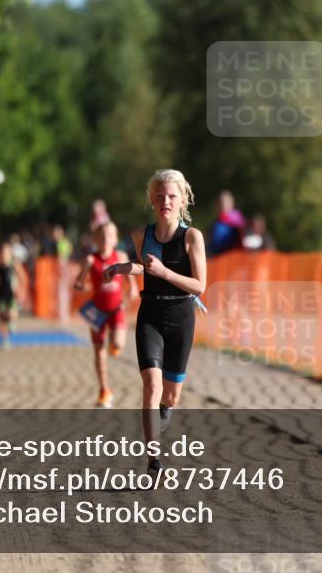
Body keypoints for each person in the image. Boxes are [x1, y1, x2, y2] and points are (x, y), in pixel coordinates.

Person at [103, 169, 207, 474]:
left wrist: (165, 272)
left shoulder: (191, 237)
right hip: (150, 315)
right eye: (159, 196)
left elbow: (199, 285)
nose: (166, 202)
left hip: (181, 317)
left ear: (183, 200)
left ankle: (162, 413)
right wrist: (123, 267)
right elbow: (146, 265)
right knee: (152, 385)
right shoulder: (142, 234)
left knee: (170, 395)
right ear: (151, 200)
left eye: (172, 196)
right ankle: (154, 460)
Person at [75, 222, 139, 408]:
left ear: (115, 239)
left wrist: (132, 288)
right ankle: (104, 390)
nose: (105, 239)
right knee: (99, 352)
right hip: (97, 311)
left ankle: (114, 343)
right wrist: (83, 287)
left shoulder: (120, 256)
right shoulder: (90, 260)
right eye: (102, 235)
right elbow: (79, 284)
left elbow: (130, 278)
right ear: (96, 239)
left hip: (116, 308)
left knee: (118, 344)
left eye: (110, 235)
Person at [0, 241, 27, 350]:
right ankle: (4, 340)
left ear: (10, 253)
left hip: (12, 294)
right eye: (3, 252)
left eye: (6, 252)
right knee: (2, 319)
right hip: (1, 294)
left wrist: (21, 290)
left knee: (11, 314)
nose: (4, 254)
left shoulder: (15, 265)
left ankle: (12, 323)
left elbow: (23, 278)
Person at [208, 190, 245, 256]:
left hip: (234, 258)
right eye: (219, 202)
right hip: (217, 258)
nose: (222, 204)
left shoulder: (238, 223)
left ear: (232, 203)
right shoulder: (216, 224)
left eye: (224, 202)